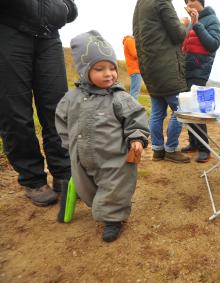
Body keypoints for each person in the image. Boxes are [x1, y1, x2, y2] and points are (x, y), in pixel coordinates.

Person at [55, 31, 150, 242]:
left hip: (114, 159)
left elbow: (135, 118)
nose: (109, 74)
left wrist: (136, 138)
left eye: (112, 68)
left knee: (115, 189)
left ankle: (113, 219)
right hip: (82, 157)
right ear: (83, 70)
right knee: (87, 188)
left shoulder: (119, 97)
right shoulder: (71, 99)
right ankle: (100, 206)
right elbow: (62, 122)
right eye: (99, 69)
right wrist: (70, 145)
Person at [0, 0, 78, 206]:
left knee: (59, 108)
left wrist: (66, 8)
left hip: (49, 36)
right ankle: (32, 179)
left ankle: (64, 172)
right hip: (8, 29)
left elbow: (71, 7)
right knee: (14, 110)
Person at [133, 0, 190, 163]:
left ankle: (158, 149)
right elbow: (178, 34)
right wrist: (184, 23)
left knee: (157, 111)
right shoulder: (162, 1)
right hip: (166, 66)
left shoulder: (140, 4)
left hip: (149, 67)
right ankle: (171, 149)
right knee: (181, 110)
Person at [180, 0, 220, 163]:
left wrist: (197, 24)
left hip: (200, 69)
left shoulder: (212, 19)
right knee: (188, 108)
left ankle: (204, 148)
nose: (189, 3)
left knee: (196, 109)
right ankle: (194, 143)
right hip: (186, 69)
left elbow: (213, 44)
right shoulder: (190, 22)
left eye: (192, 0)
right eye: (186, 1)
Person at [122, 35, 143, 101]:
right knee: (135, 91)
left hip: (134, 69)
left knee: (134, 90)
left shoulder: (129, 40)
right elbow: (135, 54)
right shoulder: (129, 40)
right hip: (135, 69)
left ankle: (131, 106)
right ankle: (132, 107)